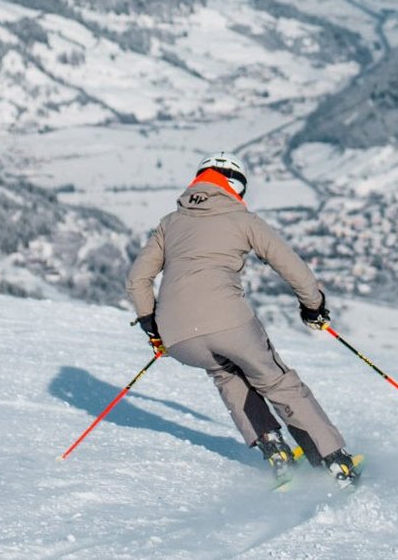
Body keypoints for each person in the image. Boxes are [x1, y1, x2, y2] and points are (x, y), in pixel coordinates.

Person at [126, 151, 359, 485]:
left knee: (226, 375)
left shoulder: (170, 223)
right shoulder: (243, 220)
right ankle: (334, 461)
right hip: (229, 322)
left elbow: (137, 280)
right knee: (277, 381)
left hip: (178, 337)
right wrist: (313, 305)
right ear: (236, 187)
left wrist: (152, 326)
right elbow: (291, 265)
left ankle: (274, 449)